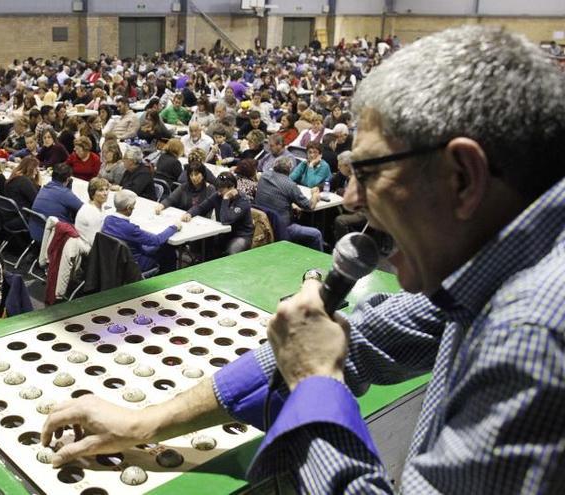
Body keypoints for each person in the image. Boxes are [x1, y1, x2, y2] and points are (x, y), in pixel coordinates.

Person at [41, 27, 565, 493]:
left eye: (368, 171)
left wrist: (316, 380)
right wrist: (146, 422)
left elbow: (321, 360)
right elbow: (368, 338)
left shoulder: (533, 336)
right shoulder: (489, 268)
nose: (352, 198)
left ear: (463, 178)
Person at [101, 189, 180, 273]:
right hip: (134, 264)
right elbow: (156, 240)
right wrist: (174, 227)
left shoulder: (107, 220)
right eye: (133, 205)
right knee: (167, 248)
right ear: (129, 208)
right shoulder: (130, 229)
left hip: (113, 260)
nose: (134, 207)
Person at [256, 155, 323, 251]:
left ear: (274, 166)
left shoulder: (263, 176)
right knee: (316, 234)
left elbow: (276, 196)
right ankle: (319, 264)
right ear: (290, 169)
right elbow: (309, 206)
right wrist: (315, 195)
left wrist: (291, 204)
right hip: (282, 228)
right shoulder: (290, 185)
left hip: (263, 224)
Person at [182, 171, 253, 256]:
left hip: (240, 235)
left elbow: (226, 220)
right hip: (223, 233)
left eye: (221, 190)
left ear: (232, 187)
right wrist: (189, 213)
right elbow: (201, 207)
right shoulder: (218, 195)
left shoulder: (243, 201)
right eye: (218, 190)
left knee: (230, 253)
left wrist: (226, 199)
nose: (219, 193)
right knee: (198, 244)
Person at [29, 162, 83, 241]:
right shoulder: (65, 194)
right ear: (68, 179)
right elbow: (83, 210)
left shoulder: (45, 187)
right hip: (51, 237)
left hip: (34, 231)